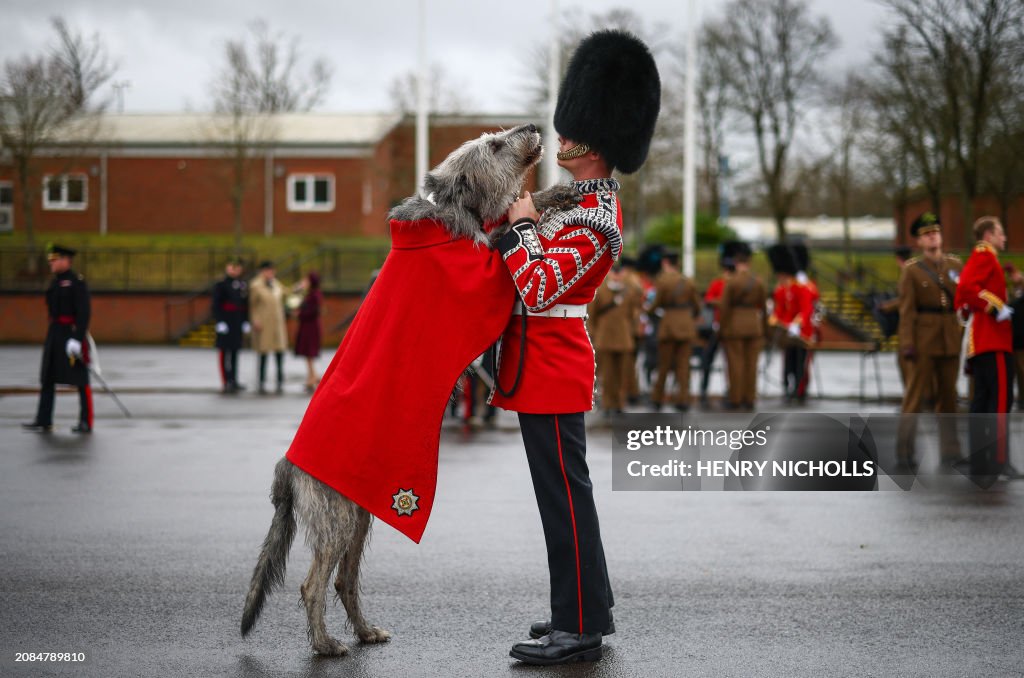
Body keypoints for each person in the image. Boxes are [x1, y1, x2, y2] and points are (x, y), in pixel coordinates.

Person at [489, 29, 660, 666]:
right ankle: (580, 610)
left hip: (555, 360)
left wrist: (522, 225)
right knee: (562, 496)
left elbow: (535, 287)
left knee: (565, 498)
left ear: (596, 143)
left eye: (570, 134)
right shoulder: (575, 201)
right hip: (544, 360)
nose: (560, 141)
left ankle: (580, 624)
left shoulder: (593, 218)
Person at [894, 213, 963, 468]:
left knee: (949, 396)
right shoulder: (912, 271)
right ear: (919, 242)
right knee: (914, 398)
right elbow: (907, 311)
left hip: (949, 337)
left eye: (935, 232)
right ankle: (904, 451)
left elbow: (963, 300)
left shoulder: (955, 266)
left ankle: (951, 451)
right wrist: (907, 344)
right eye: (926, 234)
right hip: (922, 340)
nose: (932, 236)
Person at [955, 216, 1015, 476]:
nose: (1005, 238)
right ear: (989, 235)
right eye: (1001, 233)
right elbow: (967, 289)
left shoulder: (987, 257)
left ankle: (981, 460)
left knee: (982, 402)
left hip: (984, 341)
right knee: (1000, 401)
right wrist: (996, 307)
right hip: (993, 340)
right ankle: (999, 460)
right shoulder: (985, 255)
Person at [23, 244, 93, 434]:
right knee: (47, 376)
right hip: (55, 332)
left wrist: (77, 339)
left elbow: (84, 313)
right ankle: (43, 419)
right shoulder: (54, 282)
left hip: (71, 333)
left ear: (65, 261)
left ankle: (86, 421)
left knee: (80, 379)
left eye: (54, 260)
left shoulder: (77, 282)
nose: (51, 263)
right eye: (50, 260)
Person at [650, 250, 702, 411]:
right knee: (683, 365)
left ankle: (658, 399)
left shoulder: (662, 281)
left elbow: (656, 304)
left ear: (665, 263)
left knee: (664, 364)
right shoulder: (688, 281)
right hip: (686, 324)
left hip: (668, 325)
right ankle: (683, 399)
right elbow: (697, 306)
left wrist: (648, 312)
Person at [587, 262, 641, 416]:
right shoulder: (601, 291)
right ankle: (608, 403)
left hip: (624, 337)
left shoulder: (629, 292)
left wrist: (633, 331)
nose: (617, 276)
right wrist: (594, 334)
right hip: (605, 338)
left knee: (623, 374)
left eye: (619, 272)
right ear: (610, 273)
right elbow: (592, 316)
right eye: (614, 272)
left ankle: (619, 403)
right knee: (608, 374)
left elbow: (633, 314)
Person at [717, 243, 766, 410]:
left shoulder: (731, 282)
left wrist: (722, 328)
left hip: (735, 325)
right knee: (752, 364)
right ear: (749, 263)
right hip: (754, 325)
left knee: (735, 363)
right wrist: (764, 329)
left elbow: (724, 307)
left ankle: (735, 398)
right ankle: (750, 398)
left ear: (736, 264)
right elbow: (764, 307)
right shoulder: (758, 282)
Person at [767, 244, 814, 403]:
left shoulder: (802, 288)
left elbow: (806, 309)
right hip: (787, 331)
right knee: (788, 361)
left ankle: (800, 390)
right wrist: (775, 320)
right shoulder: (781, 290)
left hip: (801, 331)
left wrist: (797, 324)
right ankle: (788, 387)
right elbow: (780, 309)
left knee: (800, 362)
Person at [699, 243, 737, 406]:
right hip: (720, 325)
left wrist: (718, 302)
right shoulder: (720, 283)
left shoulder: (723, 283)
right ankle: (705, 389)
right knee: (712, 359)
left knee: (728, 361)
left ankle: (722, 390)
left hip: (726, 326)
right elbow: (708, 300)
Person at [249, 260, 288, 394]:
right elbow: (252, 306)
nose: (271, 273)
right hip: (264, 324)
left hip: (277, 323)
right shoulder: (255, 285)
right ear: (262, 271)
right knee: (263, 352)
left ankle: (279, 380)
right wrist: (255, 320)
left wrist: (301, 287)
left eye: (272, 270)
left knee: (279, 352)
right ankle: (261, 381)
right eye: (268, 270)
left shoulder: (276, 284)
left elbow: (287, 293)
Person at [212, 258, 249, 393]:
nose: (235, 270)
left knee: (235, 352)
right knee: (224, 352)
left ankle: (234, 379)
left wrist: (245, 320)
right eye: (232, 267)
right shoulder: (221, 285)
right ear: (227, 268)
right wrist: (220, 321)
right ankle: (225, 380)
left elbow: (245, 305)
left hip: (237, 322)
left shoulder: (242, 284)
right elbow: (216, 305)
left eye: (237, 267)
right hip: (226, 322)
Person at [293, 271, 323, 392]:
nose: (303, 283)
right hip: (307, 325)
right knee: (307, 354)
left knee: (309, 353)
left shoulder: (314, 295)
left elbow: (313, 311)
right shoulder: (309, 294)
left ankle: (312, 377)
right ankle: (312, 376)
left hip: (310, 326)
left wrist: (300, 313)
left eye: (306, 281)